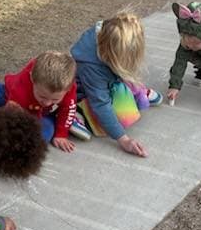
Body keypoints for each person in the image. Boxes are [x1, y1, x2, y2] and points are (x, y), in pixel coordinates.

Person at [70, 14, 163, 158]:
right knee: (124, 117)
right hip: (86, 92)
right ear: (110, 53)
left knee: (128, 89)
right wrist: (123, 139)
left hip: (108, 80)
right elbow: (101, 103)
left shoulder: (111, 32)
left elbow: (125, 66)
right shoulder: (90, 66)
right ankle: (77, 114)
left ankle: (137, 91)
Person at [0, 51, 88, 153]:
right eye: (42, 96)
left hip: (42, 115)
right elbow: (12, 113)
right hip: (12, 100)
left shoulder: (68, 88)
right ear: (32, 78)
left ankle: (14, 145)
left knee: (44, 134)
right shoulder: (24, 82)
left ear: (68, 89)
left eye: (55, 99)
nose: (47, 102)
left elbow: (69, 109)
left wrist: (61, 134)